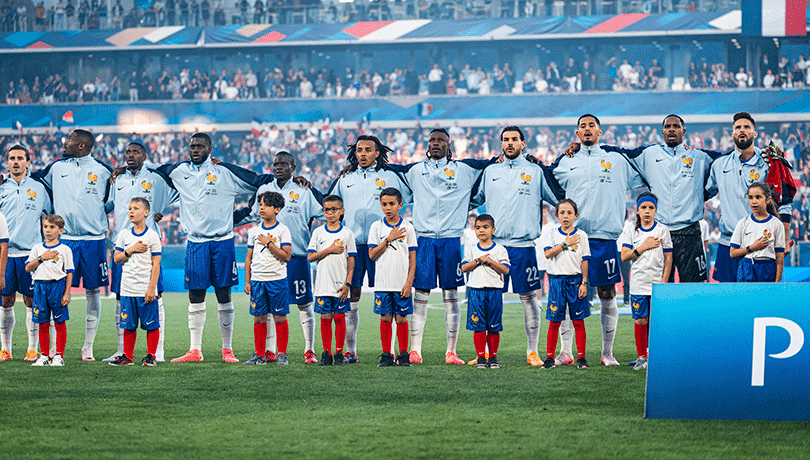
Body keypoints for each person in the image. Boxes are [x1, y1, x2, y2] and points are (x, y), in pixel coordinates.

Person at [150, 132, 266, 363]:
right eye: (192, 146)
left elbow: (260, 182)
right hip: (195, 242)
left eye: (200, 146)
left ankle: (227, 349)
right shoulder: (178, 171)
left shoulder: (224, 172)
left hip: (222, 241)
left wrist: (243, 215)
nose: (195, 150)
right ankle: (195, 350)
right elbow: (152, 170)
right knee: (195, 294)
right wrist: (121, 171)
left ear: (210, 149)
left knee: (223, 294)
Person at [566, 114, 722, 283]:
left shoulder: (700, 157)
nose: (671, 129)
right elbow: (619, 152)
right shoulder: (649, 154)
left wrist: (701, 195)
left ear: (683, 131)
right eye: (667, 127)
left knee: (693, 286)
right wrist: (581, 147)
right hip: (659, 233)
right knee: (660, 286)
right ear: (662, 132)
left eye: (675, 126)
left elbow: (726, 163)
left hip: (689, 231)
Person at [387, 128, 493, 365]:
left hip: (451, 240)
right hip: (423, 239)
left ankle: (451, 351)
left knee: (451, 295)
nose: (435, 144)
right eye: (432, 140)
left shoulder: (465, 169)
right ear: (428, 144)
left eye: (440, 141)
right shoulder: (414, 170)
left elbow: (492, 165)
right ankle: (415, 350)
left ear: (449, 145)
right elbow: (389, 170)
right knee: (420, 295)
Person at [548, 115, 644, 367]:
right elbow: (548, 180)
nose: (587, 129)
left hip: (604, 237)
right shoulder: (566, 161)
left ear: (600, 131)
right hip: (573, 239)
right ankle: (566, 352)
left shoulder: (616, 159)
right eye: (582, 126)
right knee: (568, 297)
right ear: (576, 133)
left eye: (591, 125)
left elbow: (644, 171)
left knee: (607, 293)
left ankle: (607, 353)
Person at [471, 126, 561, 366]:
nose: (509, 143)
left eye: (514, 139)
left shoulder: (535, 171)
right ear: (501, 144)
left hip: (523, 246)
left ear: (523, 143)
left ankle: (532, 351)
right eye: (505, 140)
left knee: (530, 299)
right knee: (489, 300)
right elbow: (473, 198)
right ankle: (485, 353)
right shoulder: (490, 172)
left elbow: (558, 198)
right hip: (494, 247)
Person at [30, 129, 113, 362]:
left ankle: (88, 346)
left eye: (69, 140)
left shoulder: (104, 171)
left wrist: (94, 214)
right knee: (57, 292)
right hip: (64, 239)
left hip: (93, 239)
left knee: (93, 290)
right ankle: (55, 351)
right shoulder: (56, 168)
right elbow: (36, 181)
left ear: (81, 146)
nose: (64, 143)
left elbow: (112, 200)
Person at [328, 135, 411, 364]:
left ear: (377, 153)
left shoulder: (390, 176)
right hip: (353, 247)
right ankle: (351, 351)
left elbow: (410, 195)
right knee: (351, 298)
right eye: (359, 150)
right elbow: (328, 202)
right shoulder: (345, 178)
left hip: (384, 246)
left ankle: (393, 352)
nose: (362, 154)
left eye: (368, 150)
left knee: (391, 297)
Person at [236, 152, 323, 364]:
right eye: (276, 163)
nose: (278, 167)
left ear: (293, 167)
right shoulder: (264, 190)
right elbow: (250, 213)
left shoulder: (304, 189)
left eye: (284, 163)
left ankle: (309, 350)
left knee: (303, 304)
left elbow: (325, 211)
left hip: (297, 255)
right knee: (267, 310)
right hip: (267, 263)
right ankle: (269, 351)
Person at [105, 140, 178, 363]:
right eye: (127, 152)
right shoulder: (117, 179)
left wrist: (159, 211)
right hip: (122, 242)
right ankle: (122, 351)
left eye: (135, 152)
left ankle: (158, 351)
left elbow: (177, 193)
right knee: (120, 297)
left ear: (144, 156)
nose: (130, 155)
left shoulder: (155, 177)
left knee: (156, 296)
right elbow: (108, 205)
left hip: (147, 245)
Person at [706, 112, 791, 282]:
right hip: (728, 243)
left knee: (760, 300)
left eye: (746, 127)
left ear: (755, 133)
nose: (742, 130)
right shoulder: (719, 164)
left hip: (761, 245)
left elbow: (784, 201)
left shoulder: (769, 163)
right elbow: (706, 192)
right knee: (729, 300)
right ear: (732, 134)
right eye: (738, 127)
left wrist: (785, 238)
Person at [0, 144, 49, 362]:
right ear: (7, 162)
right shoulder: (1, 188)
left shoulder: (39, 188)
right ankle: (6, 349)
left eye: (20, 158)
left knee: (31, 301)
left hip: (31, 254)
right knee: (6, 300)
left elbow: (51, 215)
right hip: (5, 254)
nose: (16, 162)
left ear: (28, 162)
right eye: (12, 158)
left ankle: (32, 349)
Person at [618, 192, 672, 371]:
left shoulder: (662, 230)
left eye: (651, 208)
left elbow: (668, 258)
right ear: (637, 211)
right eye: (644, 207)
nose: (647, 211)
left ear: (656, 211)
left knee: (657, 321)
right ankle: (642, 357)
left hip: (658, 284)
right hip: (639, 284)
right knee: (641, 320)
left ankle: (656, 356)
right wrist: (642, 247)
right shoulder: (630, 231)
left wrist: (664, 281)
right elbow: (625, 256)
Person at [109, 198, 162, 366]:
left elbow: (156, 263)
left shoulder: (152, 236)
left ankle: (151, 356)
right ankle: (128, 357)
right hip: (127, 288)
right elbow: (117, 258)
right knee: (128, 325)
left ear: (146, 212)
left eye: (136, 208)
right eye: (130, 208)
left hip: (145, 288)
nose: (131, 211)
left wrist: (152, 288)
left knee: (151, 324)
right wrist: (131, 249)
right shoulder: (124, 234)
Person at [243, 191, 293, 366]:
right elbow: (248, 258)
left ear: (277, 209)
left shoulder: (282, 230)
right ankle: (259, 355)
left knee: (279, 317)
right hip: (257, 281)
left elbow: (286, 256)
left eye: (266, 205)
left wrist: (269, 243)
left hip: (277, 279)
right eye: (260, 204)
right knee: (258, 318)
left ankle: (282, 354)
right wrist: (247, 281)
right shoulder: (254, 231)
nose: (261, 208)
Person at [368, 187, 416, 367]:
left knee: (402, 318)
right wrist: (389, 239)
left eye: (392, 204)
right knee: (386, 318)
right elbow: (372, 255)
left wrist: (409, 282)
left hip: (401, 283)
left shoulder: (408, 228)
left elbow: (412, 258)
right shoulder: (376, 226)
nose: (387, 208)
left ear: (400, 205)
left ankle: (404, 354)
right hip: (382, 283)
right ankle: (387, 354)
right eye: (384, 204)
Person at [539, 199, 590, 369]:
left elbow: (584, 261)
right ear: (557, 215)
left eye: (569, 213)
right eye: (562, 213)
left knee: (578, 321)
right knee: (554, 322)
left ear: (576, 216)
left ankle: (581, 357)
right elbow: (547, 254)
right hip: (556, 282)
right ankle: (549, 358)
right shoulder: (552, 233)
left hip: (575, 282)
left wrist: (584, 283)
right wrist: (565, 244)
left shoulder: (582, 235)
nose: (566, 216)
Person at [307, 195, 356, 366]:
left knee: (340, 318)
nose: (330, 213)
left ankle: (339, 353)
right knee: (325, 318)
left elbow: (351, 261)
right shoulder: (318, 232)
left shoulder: (347, 233)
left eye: (334, 209)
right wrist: (329, 249)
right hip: (323, 285)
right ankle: (326, 352)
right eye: (326, 209)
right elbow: (311, 257)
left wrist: (347, 284)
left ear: (342, 211)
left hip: (340, 285)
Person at [461, 214, 510, 369]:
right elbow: (463, 268)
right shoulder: (472, 249)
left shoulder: (500, 250)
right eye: (478, 227)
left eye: (485, 227)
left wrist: (490, 261)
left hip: (494, 291)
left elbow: (506, 269)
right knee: (478, 326)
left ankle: (493, 357)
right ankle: (481, 356)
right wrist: (477, 261)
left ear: (493, 230)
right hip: (475, 291)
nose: (481, 230)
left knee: (494, 326)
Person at [26, 215, 73, 367]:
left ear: (61, 230)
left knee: (59, 322)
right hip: (40, 287)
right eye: (45, 226)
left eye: (52, 227)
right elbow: (28, 268)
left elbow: (69, 272)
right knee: (43, 323)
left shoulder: (64, 249)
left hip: (57, 286)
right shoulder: (37, 249)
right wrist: (42, 258)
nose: (48, 230)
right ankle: (44, 355)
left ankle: (59, 355)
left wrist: (67, 293)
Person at [729, 183, 785, 282]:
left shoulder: (777, 224)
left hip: (767, 269)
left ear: (768, 199)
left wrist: (777, 283)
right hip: (747, 267)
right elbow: (733, 253)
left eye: (758, 197)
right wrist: (752, 248)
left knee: (766, 297)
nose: (754, 201)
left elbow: (780, 259)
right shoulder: (743, 223)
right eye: (750, 197)